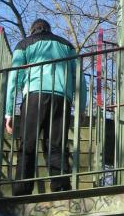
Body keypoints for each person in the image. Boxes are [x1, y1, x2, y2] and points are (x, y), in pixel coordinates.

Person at [5, 18, 86, 195]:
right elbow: (78, 77)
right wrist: (81, 107)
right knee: (57, 145)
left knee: (27, 144)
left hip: (34, 96)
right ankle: (61, 187)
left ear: (32, 30)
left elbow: (14, 77)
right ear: (49, 29)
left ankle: (22, 189)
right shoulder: (66, 45)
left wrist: (8, 111)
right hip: (62, 98)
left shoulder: (24, 44)